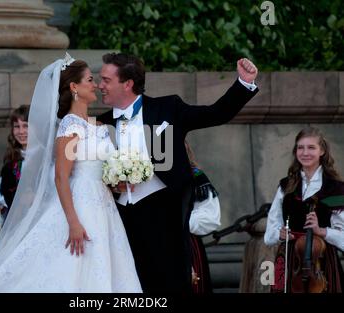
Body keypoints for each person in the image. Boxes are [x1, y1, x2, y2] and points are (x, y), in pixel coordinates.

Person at [0, 54, 142, 292]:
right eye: (90, 80)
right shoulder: (70, 126)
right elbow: (61, 177)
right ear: (74, 87)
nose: (96, 85)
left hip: (104, 207)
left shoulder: (99, 126)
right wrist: (73, 223)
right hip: (79, 206)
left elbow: (100, 169)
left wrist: (118, 180)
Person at [97, 53, 258, 293]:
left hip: (165, 216)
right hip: (121, 220)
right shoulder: (101, 123)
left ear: (127, 83)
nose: (100, 85)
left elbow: (216, 113)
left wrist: (244, 83)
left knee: (171, 285)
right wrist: (111, 185)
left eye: (106, 80)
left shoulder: (167, 108)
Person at [264, 127, 344, 293]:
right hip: (289, 256)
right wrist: (280, 234)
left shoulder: (335, 189)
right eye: (300, 147)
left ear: (322, 151)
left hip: (320, 261)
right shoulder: (286, 186)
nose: (305, 152)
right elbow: (273, 224)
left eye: (311, 147)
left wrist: (322, 231)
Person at [185, 141, 221, 293]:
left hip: (186, 243)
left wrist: (180, 221)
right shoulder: (146, 174)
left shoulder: (196, 176)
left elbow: (211, 217)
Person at [0, 105, 29, 227]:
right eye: (17, 127)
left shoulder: (47, 158)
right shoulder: (11, 161)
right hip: (17, 223)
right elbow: (2, 196)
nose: (21, 131)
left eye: (26, 126)